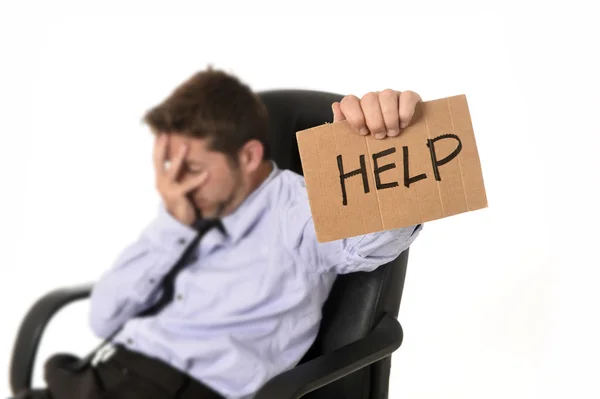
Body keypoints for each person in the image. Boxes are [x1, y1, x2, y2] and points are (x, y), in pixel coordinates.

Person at [16, 67, 423, 399]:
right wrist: (174, 226)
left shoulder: (299, 208)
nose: (175, 180)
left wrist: (390, 146)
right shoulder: (187, 206)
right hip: (103, 377)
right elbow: (104, 318)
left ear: (247, 156)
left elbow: (372, 241)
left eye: (192, 166)